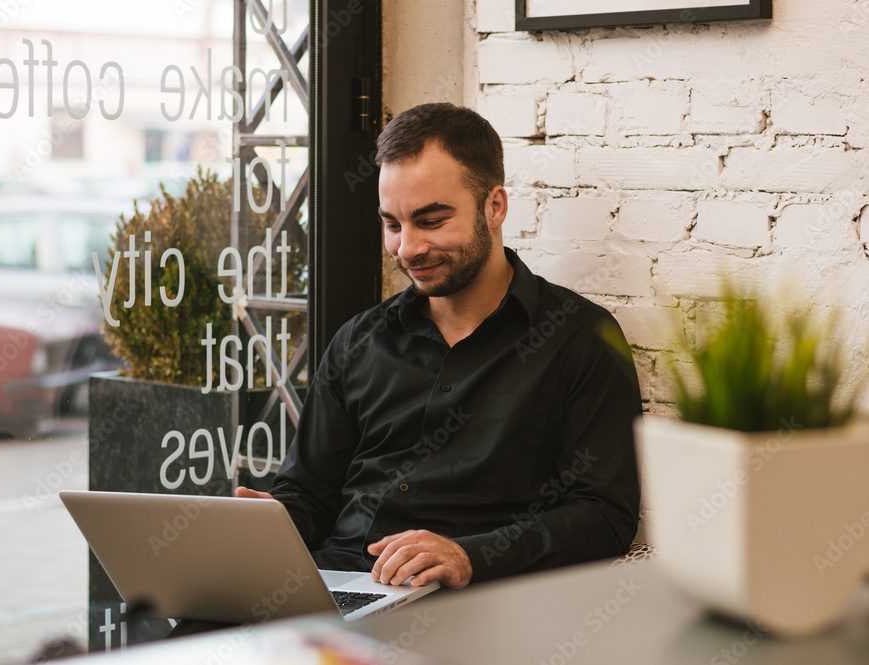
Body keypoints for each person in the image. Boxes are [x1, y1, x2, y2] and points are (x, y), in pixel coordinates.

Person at [237, 102, 642, 591]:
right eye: (393, 224)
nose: (407, 248)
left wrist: (470, 557)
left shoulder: (579, 340)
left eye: (430, 221)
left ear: (494, 207)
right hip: (332, 584)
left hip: (466, 602)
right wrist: (271, 523)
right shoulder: (359, 341)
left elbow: (604, 518)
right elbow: (309, 494)